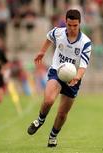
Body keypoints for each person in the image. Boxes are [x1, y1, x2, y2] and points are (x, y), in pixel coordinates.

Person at [27, 9, 91, 147]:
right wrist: (42, 52)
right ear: (66, 23)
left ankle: (53, 136)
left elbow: (83, 66)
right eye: (69, 25)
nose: (72, 28)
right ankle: (40, 120)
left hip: (73, 78)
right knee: (49, 100)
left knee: (62, 114)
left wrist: (77, 78)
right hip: (57, 70)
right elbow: (49, 37)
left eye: (75, 25)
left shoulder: (85, 42)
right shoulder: (58, 32)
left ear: (79, 24)